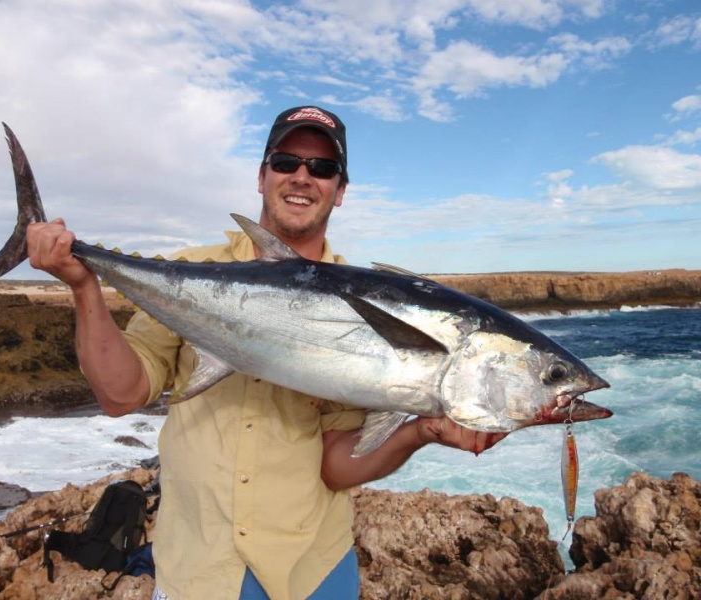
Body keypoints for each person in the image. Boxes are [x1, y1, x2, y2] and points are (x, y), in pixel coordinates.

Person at [26, 106, 506, 600]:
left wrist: (420, 429)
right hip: (198, 571)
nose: (302, 177)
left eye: (322, 168)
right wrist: (84, 286)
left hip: (312, 573)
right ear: (261, 177)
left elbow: (336, 466)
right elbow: (121, 394)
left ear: (340, 191)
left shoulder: (370, 303)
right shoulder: (190, 272)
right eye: (285, 161)